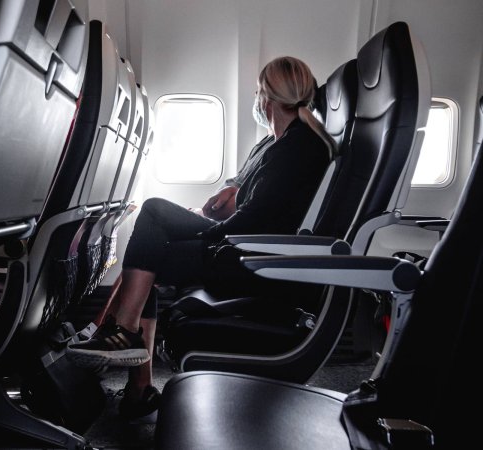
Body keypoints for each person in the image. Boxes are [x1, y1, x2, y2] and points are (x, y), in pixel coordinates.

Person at [66, 56, 336, 421]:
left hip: (253, 257)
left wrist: (206, 231)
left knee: (154, 212)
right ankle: (136, 384)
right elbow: (246, 195)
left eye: (258, 92)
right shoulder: (273, 144)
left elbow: (258, 219)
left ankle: (124, 338)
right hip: (240, 243)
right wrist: (210, 209)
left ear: (266, 98)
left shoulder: (301, 148)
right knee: (153, 239)